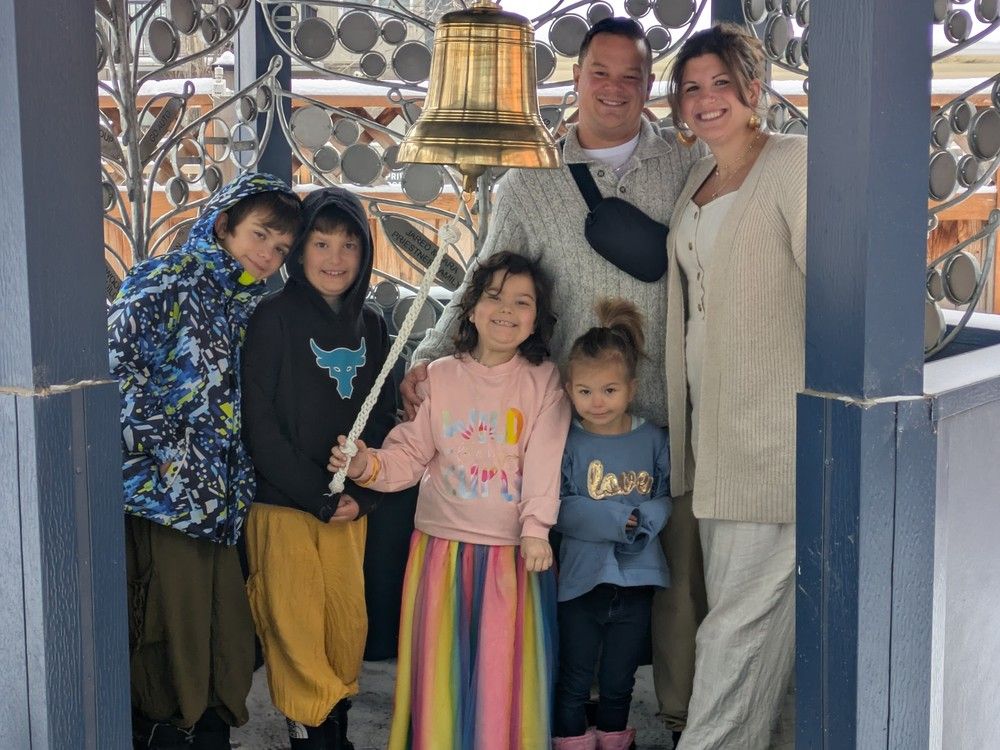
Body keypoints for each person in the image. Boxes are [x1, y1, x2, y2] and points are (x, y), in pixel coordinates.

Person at [400, 17, 707, 742]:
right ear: (575, 80)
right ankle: (569, 720)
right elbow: (487, 275)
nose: (615, 89)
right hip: (570, 423)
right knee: (577, 590)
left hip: (672, 413)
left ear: (649, 84)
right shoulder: (530, 180)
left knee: (670, 584)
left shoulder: (685, 167)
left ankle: (677, 718)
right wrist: (428, 358)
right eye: (600, 72)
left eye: (631, 75)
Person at [328, 251, 571, 750]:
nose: (506, 310)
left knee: (503, 675)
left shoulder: (545, 382)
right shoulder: (438, 376)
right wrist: (363, 465)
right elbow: (409, 456)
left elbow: (546, 463)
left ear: (537, 318)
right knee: (441, 672)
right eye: (494, 296)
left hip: (513, 557)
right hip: (440, 554)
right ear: (472, 308)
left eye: (522, 301)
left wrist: (535, 529)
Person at [108, 172, 303, 749]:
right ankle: (168, 731)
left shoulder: (246, 302)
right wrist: (170, 454)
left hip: (219, 502)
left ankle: (209, 727)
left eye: (281, 248)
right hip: (164, 499)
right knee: (172, 629)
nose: (268, 254)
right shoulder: (168, 278)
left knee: (221, 632)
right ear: (224, 225)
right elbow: (117, 372)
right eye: (260, 235)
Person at [664, 23, 807, 749]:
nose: (706, 98)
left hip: (772, 433)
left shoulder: (792, 164)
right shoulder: (700, 178)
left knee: (733, 629)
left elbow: (838, 286)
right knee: (746, 620)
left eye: (721, 82)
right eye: (691, 88)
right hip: (715, 435)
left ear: (754, 88)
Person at [240, 187, 396, 749]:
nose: (335, 257)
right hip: (285, 507)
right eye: (322, 242)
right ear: (300, 250)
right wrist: (318, 497)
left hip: (348, 513)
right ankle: (314, 740)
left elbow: (382, 421)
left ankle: (337, 734)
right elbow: (261, 428)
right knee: (298, 635)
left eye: (349, 244)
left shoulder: (373, 326)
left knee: (344, 631)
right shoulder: (272, 319)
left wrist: (364, 496)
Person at [552, 299, 672, 750]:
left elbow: (665, 496)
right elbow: (559, 507)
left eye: (608, 390)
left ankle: (615, 742)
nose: (596, 402)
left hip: (637, 581)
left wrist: (647, 520)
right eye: (584, 391)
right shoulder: (568, 443)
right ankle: (571, 740)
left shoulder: (653, 438)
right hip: (582, 582)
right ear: (568, 390)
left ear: (631, 388)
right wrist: (621, 518)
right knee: (576, 679)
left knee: (620, 682)